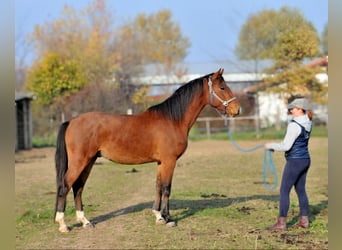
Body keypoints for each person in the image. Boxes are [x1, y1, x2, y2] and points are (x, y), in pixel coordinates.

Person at [265, 97, 313, 230]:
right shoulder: (308, 122)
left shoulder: (294, 125)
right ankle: (304, 221)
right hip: (305, 160)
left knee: (284, 191)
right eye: (291, 108)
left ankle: (281, 223)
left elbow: (286, 146)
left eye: (294, 108)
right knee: (301, 190)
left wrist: (271, 145)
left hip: (295, 161)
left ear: (301, 109)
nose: (291, 110)